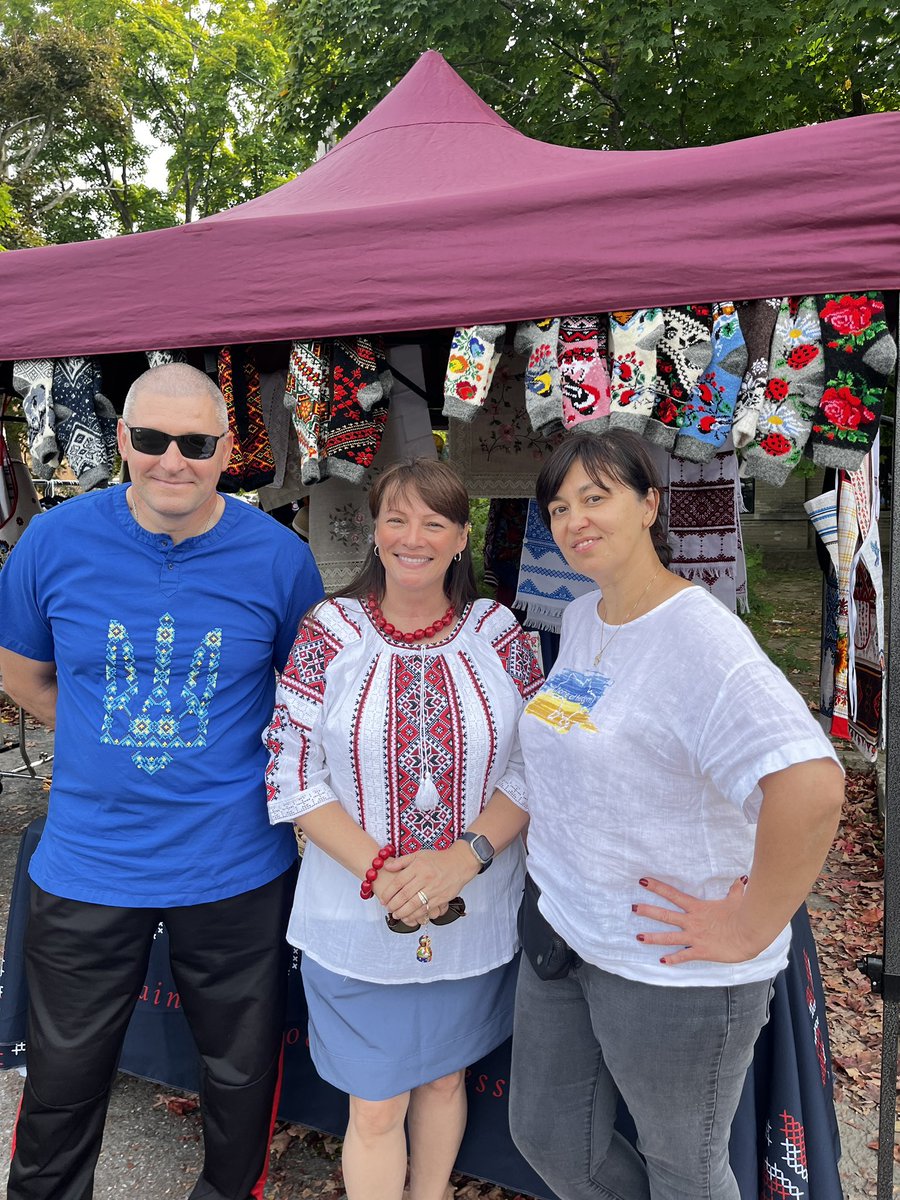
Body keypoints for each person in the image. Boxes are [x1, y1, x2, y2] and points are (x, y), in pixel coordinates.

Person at [0, 362, 323, 1200]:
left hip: (235, 865)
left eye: (196, 443)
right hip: (88, 860)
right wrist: (100, 749)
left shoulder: (281, 560)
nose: (171, 460)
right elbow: (25, 675)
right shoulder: (53, 541)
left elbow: (302, 700)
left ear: (227, 451)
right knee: (62, 1083)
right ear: (120, 441)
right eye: (150, 440)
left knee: (241, 1075)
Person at [508, 430, 844, 1200]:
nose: (575, 520)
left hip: (670, 965)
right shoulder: (589, 616)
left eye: (597, 498)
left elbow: (812, 786)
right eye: (559, 507)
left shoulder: (700, 638)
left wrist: (753, 922)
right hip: (566, 931)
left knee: (684, 1168)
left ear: (650, 503)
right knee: (549, 1138)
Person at [264, 458, 542, 1200]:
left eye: (435, 522)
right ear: (375, 530)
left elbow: (538, 764)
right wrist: (382, 870)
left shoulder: (499, 632)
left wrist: (465, 857)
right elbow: (291, 770)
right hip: (357, 918)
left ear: (460, 539)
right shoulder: (331, 631)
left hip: (476, 908)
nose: (413, 536)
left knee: (447, 1079)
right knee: (377, 1103)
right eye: (397, 518)